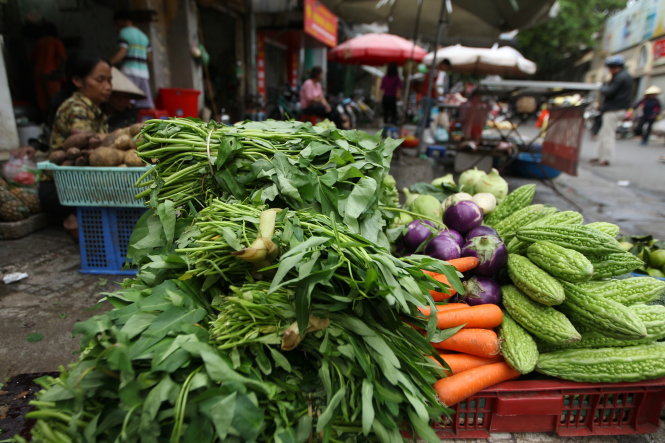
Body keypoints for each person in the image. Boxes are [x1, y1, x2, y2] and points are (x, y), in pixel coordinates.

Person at [45, 53, 112, 239]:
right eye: (100, 80)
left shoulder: (96, 109)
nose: (108, 87)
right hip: (61, 188)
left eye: (109, 80)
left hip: (77, 184)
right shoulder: (76, 107)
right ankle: (74, 220)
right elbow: (85, 142)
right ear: (77, 80)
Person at [592, 55, 633, 167]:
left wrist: (602, 87)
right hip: (616, 109)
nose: (610, 70)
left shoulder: (620, 77)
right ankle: (599, 156)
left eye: (611, 67)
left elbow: (609, 92)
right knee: (603, 133)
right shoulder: (624, 76)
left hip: (614, 109)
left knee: (608, 134)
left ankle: (606, 159)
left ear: (616, 67)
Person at [110, 10, 154, 109]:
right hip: (143, 74)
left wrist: (109, 63)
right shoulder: (144, 36)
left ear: (120, 21)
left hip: (129, 71)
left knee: (127, 102)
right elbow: (150, 58)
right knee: (146, 104)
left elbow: (122, 52)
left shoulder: (124, 33)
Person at [32, 21, 66, 119]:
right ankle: (56, 121)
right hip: (51, 74)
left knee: (42, 102)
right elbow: (63, 58)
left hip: (37, 74)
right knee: (55, 100)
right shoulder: (55, 41)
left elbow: (33, 59)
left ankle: (45, 122)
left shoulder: (38, 42)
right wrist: (61, 73)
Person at [105, 67, 146, 131]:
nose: (121, 100)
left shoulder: (131, 113)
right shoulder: (101, 114)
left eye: (126, 97)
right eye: (117, 96)